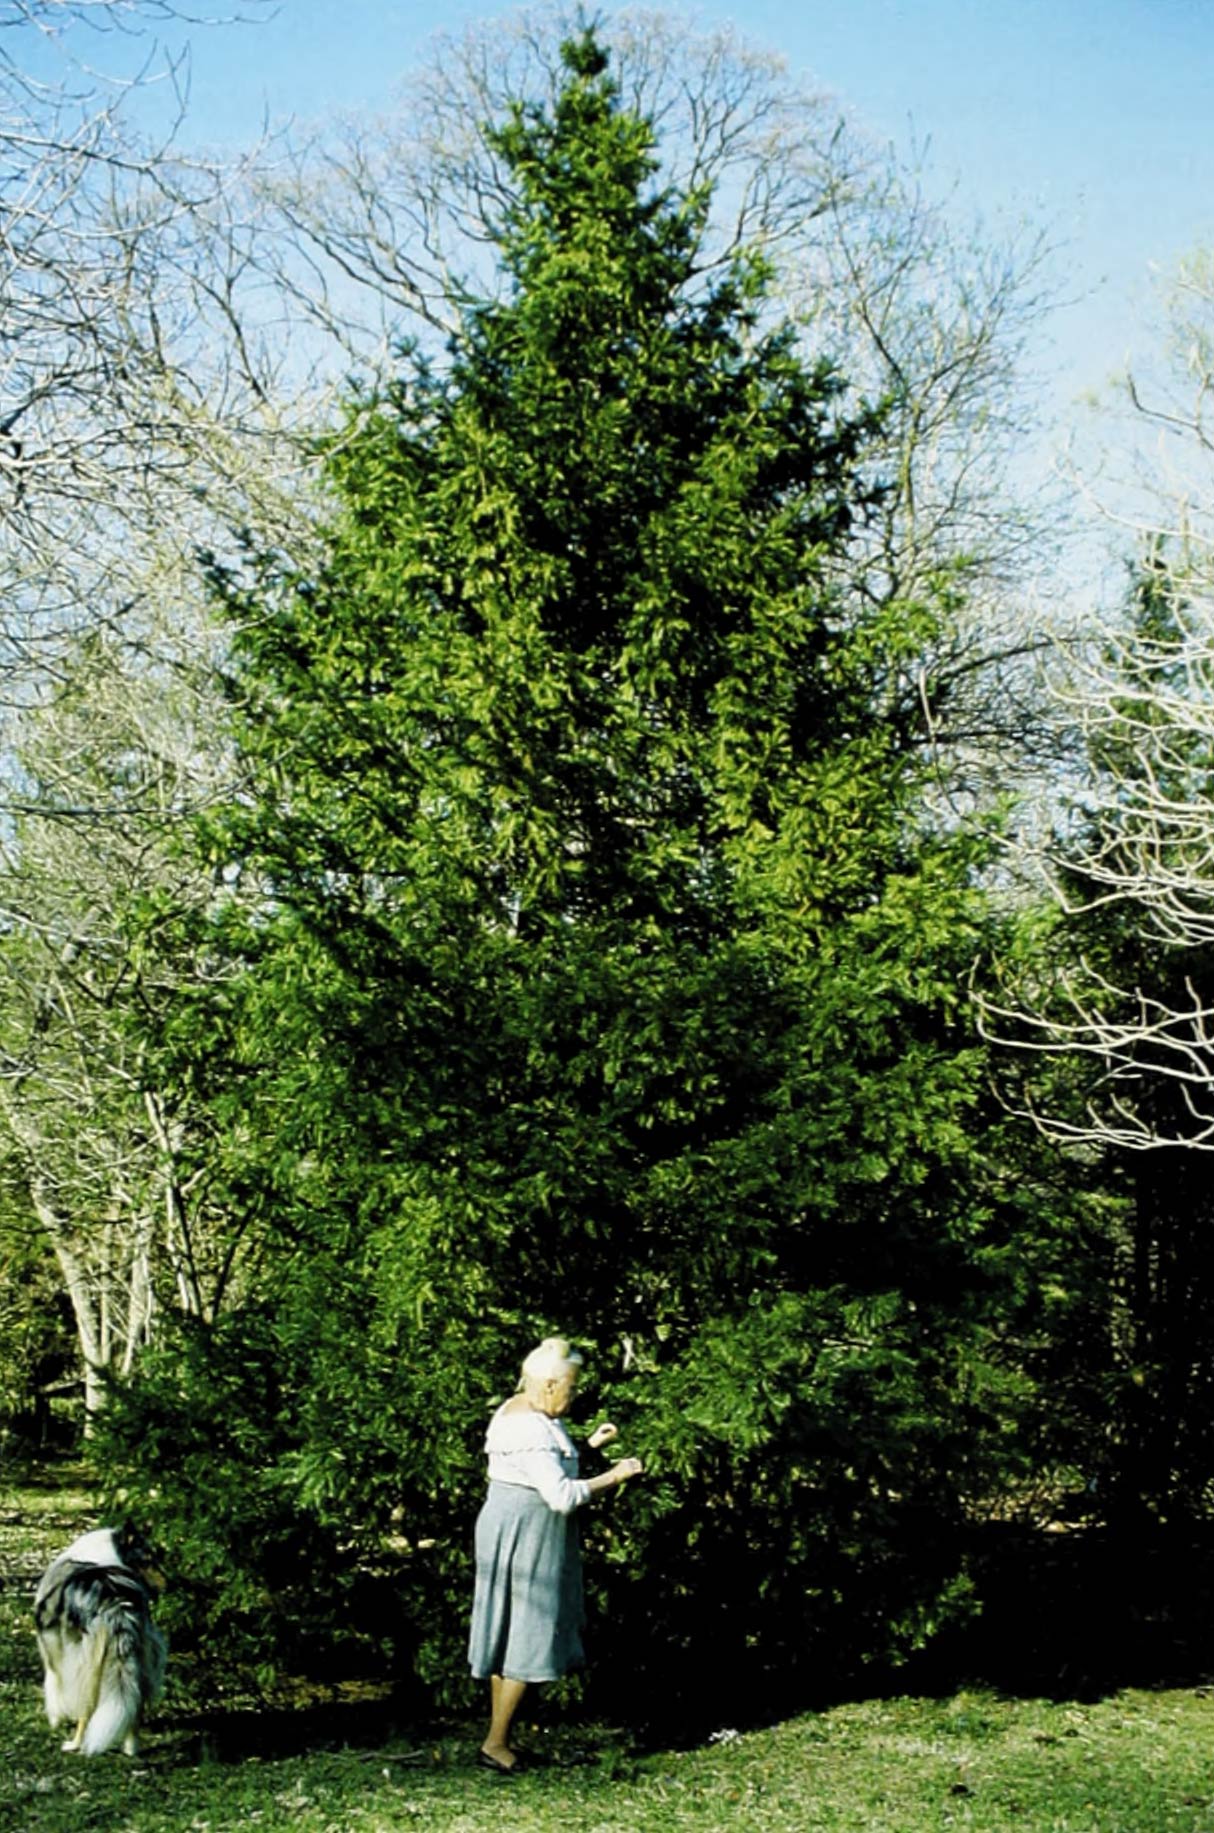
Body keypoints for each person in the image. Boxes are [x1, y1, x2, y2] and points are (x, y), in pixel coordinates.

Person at [467, 1335, 643, 1774]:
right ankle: (495, 1743)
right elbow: (561, 1495)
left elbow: (545, 1463)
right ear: (548, 1384)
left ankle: (499, 1737)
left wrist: (588, 1447)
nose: (575, 1393)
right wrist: (615, 1475)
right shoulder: (528, 1427)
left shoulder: (523, 1409)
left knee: (510, 1631)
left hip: (517, 1527)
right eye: (572, 1386)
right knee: (524, 1631)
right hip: (526, 1534)